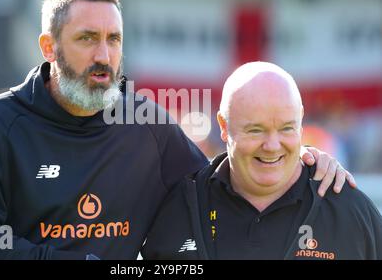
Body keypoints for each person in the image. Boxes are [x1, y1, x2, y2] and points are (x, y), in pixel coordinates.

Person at [0, 0, 353, 260]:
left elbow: (221, 186)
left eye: (114, 39)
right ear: (49, 47)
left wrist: (298, 159)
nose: (104, 56)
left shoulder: (148, 126)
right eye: (87, 39)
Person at [141, 62, 382, 260]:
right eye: (256, 130)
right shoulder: (178, 208)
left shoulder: (350, 211)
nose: (272, 145)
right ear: (224, 126)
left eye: (287, 128)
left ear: (301, 121)